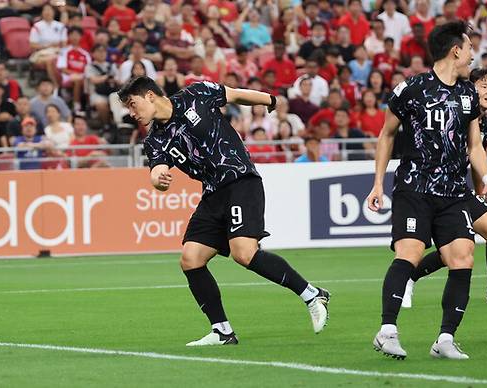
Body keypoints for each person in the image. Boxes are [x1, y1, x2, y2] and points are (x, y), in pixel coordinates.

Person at [119, 76, 330, 346]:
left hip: (240, 180)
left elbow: (234, 94)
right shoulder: (155, 140)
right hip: (212, 193)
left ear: (150, 95)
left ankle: (312, 294)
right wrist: (158, 180)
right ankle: (222, 331)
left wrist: (270, 100)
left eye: (133, 105)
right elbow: (158, 170)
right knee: (191, 258)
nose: (132, 113)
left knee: (244, 254)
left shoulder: (196, 94)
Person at [366, 21, 487, 360]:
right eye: (469, 49)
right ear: (455, 50)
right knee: (409, 253)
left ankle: (444, 339)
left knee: (463, 258)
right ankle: (387, 331)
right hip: (414, 189)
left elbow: (474, 145)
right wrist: (379, 182)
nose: (472, 56)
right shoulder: (409, 90)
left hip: (454, 193)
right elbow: (386, 135)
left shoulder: (468, 95)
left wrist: (486, 179)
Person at [403, 68, 487, 307]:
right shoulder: (456, 112)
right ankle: (408, 278)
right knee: (456, 251)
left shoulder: (484, 123)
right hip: (434, 188)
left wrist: (482, 192)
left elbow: (477, 158)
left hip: (459, 190)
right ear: (469, 89)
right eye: (483, 86)